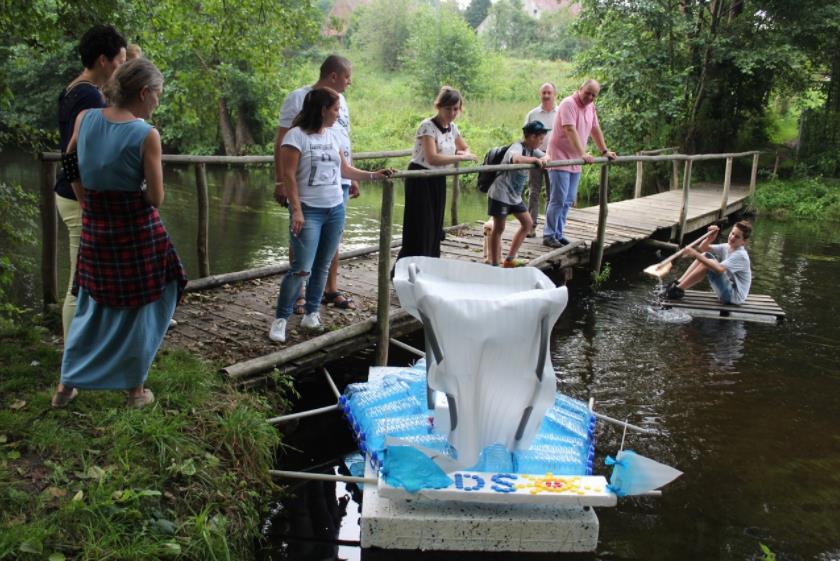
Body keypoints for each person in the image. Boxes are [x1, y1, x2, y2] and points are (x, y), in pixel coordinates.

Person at [51, 58, 187, 408]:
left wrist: (84, 197)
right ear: (143, 92)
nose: (158, 101)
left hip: (96, 228)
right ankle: (135, 391)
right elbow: (155, 198)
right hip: (136, 232)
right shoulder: (146, 134)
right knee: (148, 302)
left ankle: (66, 387)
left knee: (89, 303)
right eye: (158, 94)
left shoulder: (86, 118)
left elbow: (67, 159)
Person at [270, 88, 394, 343]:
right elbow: (289, 176)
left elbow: (345, 169)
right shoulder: (296, 137)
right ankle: (280, 319)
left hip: (335, 208)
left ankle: (312, 314)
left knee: (322, 265)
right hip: (309, 211)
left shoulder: (334, 135)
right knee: (301, 268)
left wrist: (375, 175)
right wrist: (297, 210)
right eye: (336, 109)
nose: (339, 114)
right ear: (322, 109)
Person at [54, 24, 127, 340]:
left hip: (71, 195)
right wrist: (86, 201)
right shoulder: (88, 97)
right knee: (79, 281)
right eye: (120, 61)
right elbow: (73, 154)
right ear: (102, 59)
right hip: (78, 198)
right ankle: (73, 359)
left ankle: (83, 348)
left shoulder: (73, 89)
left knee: (83, 278)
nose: (121, 68)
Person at [274, 55, 357, 312]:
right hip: (306, 181)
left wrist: (351, 176)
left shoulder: (341, 102)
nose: (349, 83)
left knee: (334, 237)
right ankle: (298, 295)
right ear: (333, 76)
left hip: (337, 178)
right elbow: (282, 141)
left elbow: (342, 138)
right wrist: (281, 181)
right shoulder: (298, 98)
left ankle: (329, 290)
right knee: (302, 235)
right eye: (347, 77)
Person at [395, 86, 477, 263]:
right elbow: (432, 157)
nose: (452, 113)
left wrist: (464, 153)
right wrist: (460, 157)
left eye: (456, 109)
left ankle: (430, 264)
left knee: (435, 225)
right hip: (420, 177)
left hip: (438, 178)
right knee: (420, 225)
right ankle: (408, 266)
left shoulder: (453, 128)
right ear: (438, 107)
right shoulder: (427, 126)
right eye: (448, 109)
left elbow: (464, 147)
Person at [545, 79, 617, 248]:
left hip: (576, 159)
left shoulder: (591, 107)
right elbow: (570, 129)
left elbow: (595, 129)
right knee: (558, 199)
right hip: (560, 157)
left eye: (594, 95)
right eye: (588, 93)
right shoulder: (568, 103)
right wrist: (583, 153)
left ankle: (558, 233)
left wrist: (604, 151)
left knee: (569, 199)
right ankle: (549, 235)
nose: (590, 97)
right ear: (580, 89)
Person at [487, 121, 550, 267]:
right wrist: (535, 160)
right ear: (531, 137)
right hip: (500, 193)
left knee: (527, 223)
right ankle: (495, 264)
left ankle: (509, 259)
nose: (541, 142)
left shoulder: (532, 149)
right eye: (540, 138)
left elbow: (547, 156)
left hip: (515, 196)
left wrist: (544, 158)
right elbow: (515, 159)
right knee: (499, 228)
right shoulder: (517, 147)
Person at [663, 221, 753, 304]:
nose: (732, 237)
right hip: (728, 288)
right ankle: (678, 283)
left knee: (709, 263)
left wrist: (694, 253)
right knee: (706, 255)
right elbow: (703, 248)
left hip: (734, 297)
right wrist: (710, 238)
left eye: (737, 237)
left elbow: (719, 269)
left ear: (744, 242)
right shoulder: (728, 246)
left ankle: (677, 290)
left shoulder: (741, 255)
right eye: (732, 233)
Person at [523, 82, 557, 238]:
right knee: (534, 192)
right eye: (544, 92)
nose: (546, 96)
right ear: (540, 94)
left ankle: (550, 228)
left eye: (549, 92)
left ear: (554, 94)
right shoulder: (532, 114)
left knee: (552, 194)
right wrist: (538, 155)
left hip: (555, 159)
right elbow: (526, 139)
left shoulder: (560, 114)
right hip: (535, 157)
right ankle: (531, 226)